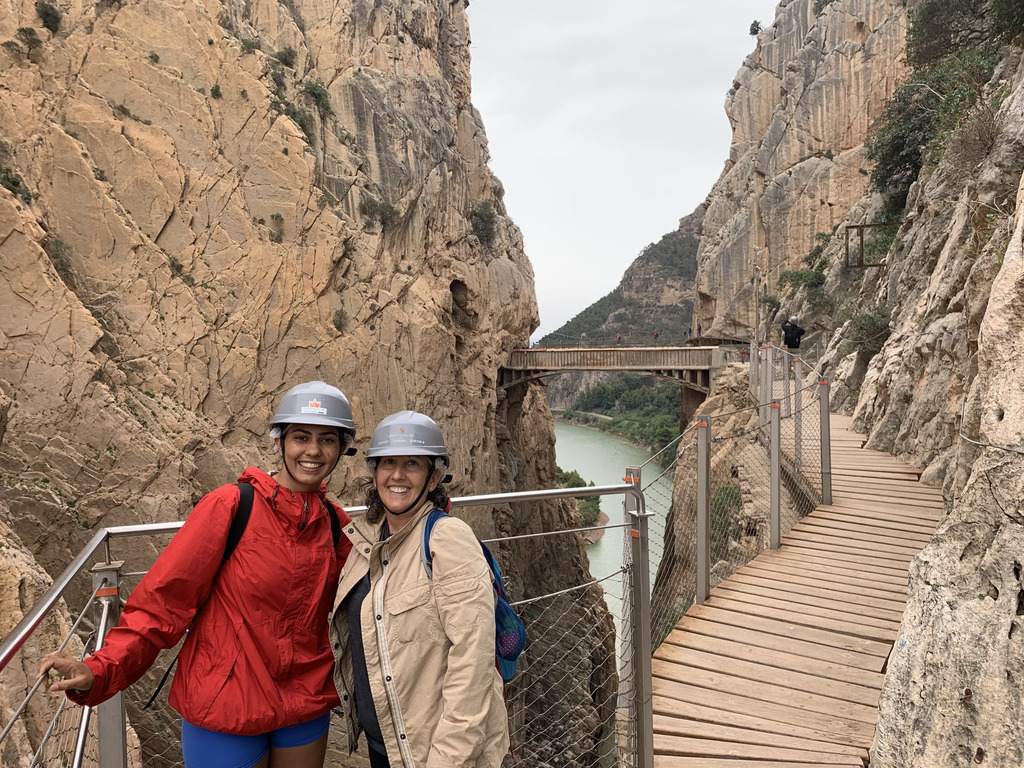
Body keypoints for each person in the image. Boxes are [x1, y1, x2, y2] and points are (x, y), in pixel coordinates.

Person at [38, 381, 358, 768]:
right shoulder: (230, 506)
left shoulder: (333, 524)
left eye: (327, 439)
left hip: (304, 702)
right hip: (227, 702)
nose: (313, 450)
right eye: (301, 437)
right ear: (279, 443)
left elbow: (367, 597)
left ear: (342, 448)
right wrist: (101, 668)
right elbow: (163, 603)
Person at [330, 411, 508, 768]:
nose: (397, 475)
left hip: (436, 754)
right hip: (389, 747)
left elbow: (472, 664)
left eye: (412, 464)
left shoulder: (447, 539)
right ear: (374, 472)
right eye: (388, 463)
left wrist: (448, 759)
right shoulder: (367, 539)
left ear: (433, 478)